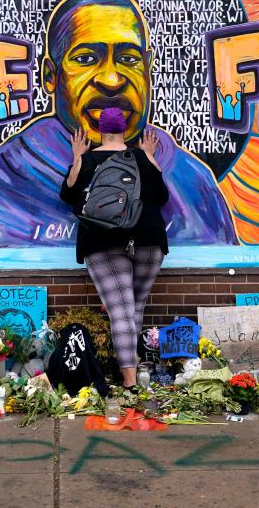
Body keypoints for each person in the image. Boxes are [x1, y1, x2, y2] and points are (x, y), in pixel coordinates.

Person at [0, 0, 235, 248]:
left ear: (148, 69)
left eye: (129, 58)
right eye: (86, 59)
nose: (112, 79)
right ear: (50, 76)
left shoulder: (194, 185)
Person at [60, 108, 167, 388]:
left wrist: (77, 157)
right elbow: (163, 196)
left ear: (99, 129)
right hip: (148, 238)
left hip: (103, 240)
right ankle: (136, 374)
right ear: (125, 129)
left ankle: (130, 383)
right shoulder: (143, 158)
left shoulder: (86, 160)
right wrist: (149, 155)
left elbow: (68, 195)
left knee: (120, 310)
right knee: (135, 308)